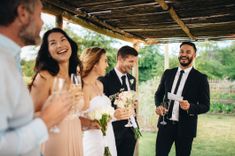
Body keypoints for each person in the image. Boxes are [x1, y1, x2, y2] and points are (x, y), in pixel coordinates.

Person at [0, 1, 72, 156]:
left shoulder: (10, 59)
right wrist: (46, 120)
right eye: (39, 14)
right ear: (23, 13)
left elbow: (13, 122)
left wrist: (46, 113)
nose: (42, 22)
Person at [30, 28, 84, 156]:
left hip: (76, 135)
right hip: (54, 140)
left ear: (70, 44)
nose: (59, 45)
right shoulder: (44, 76)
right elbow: (30, 116)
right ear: (48, 52)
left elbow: (77, 111)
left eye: (63, 40)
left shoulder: (75, 77)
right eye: (53, 43)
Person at [154, 41, 210, 156]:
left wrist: (190, 107)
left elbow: (206, 106)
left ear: (194, 55)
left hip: (186, 129)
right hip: (165, 126)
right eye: (181, 51)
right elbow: (158, 95)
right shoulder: (168, 73)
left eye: (188, 52)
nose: (184, 54)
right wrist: (159, 106)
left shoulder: (201, 78)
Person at [99, 45, 139, 156]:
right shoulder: (104, 80)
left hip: (131, 131)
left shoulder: (132, 79)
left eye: (135, 62)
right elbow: (101, 108)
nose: (133, 65)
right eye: (131, 61)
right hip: (114, 132)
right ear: (120, 59)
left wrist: (133, 104)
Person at [80, 47, 117, 156]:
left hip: (108, 135)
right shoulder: (83, 86)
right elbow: (75, 117)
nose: (107, 65)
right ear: (95, 63)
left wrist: (114, 115)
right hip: (93, 139)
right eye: (105, 61)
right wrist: (92, 123)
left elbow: (105, 114)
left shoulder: (100, 85)